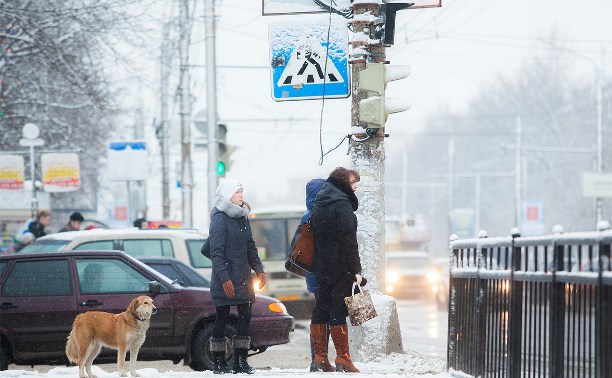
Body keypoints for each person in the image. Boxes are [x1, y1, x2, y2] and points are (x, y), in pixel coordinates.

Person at [208, 180, 266, 374]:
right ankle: (218, 362)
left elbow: (250, 246)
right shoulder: (219, 218)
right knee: (222, 318)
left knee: (245, 317)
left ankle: (240, 361)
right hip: (225, 279)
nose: (242, 195)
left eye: (242, 191)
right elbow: (216, 252)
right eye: (237, 192)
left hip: (243, 277)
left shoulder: (243, 217)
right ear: (227, 196)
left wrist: (259, 269)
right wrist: (225, 279)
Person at [310, 167, 362, 373]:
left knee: (321, 308)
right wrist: (356, 269)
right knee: (338, 310)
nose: (355, 186)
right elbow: (349, 240)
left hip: (321, 265)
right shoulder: (342, 204)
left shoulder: (320, 203)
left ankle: (321, 357)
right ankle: (343, 357)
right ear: (342, 182)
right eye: (353, 182)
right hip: (341, 266)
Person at [300, 178, 327, 372]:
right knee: (323, 317)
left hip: (315, 273)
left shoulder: (307, 216)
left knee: (321, 315)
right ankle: (318, 359)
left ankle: (317, 359)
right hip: (323, 273)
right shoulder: (317, 216)